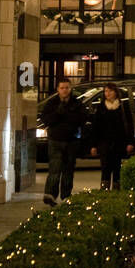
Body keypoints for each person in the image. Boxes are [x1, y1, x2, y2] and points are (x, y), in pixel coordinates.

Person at [39, 77, 87, 206]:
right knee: (54, 169)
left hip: (71, 141)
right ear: (58, 89)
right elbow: (46, 119)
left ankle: (66, 195)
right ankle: (50, 194)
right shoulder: (52, 103)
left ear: (70, 89)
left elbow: (82, 119)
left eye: (67, 88)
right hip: (55, 140)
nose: (65, 90)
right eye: (62, 88)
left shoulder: (77, 103)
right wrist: (59, 113)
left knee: (68, 170)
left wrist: (68, 116)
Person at [90, 82, 134, 190]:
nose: (107, 93)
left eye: (110, 91)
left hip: (119, 142)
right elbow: (96, 127)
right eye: (105, 91)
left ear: (116, 93)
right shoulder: (101, 107)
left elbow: (129, 125)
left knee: (117, 167)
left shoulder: (123, 106)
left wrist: (130, 142)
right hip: (104, 142)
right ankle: (104, 191)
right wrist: (94, 145)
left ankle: (116, 190)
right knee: (105, 167)